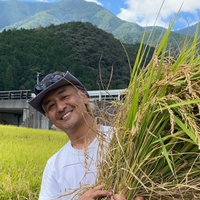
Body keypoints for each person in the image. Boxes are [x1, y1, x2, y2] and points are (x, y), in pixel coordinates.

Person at [28, 71, 144, 200]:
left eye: (64, 97)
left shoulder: (123, 138)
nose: (60, 107)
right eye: (51, 106)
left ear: (83, 96)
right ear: (48, 116)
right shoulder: (54, 166)